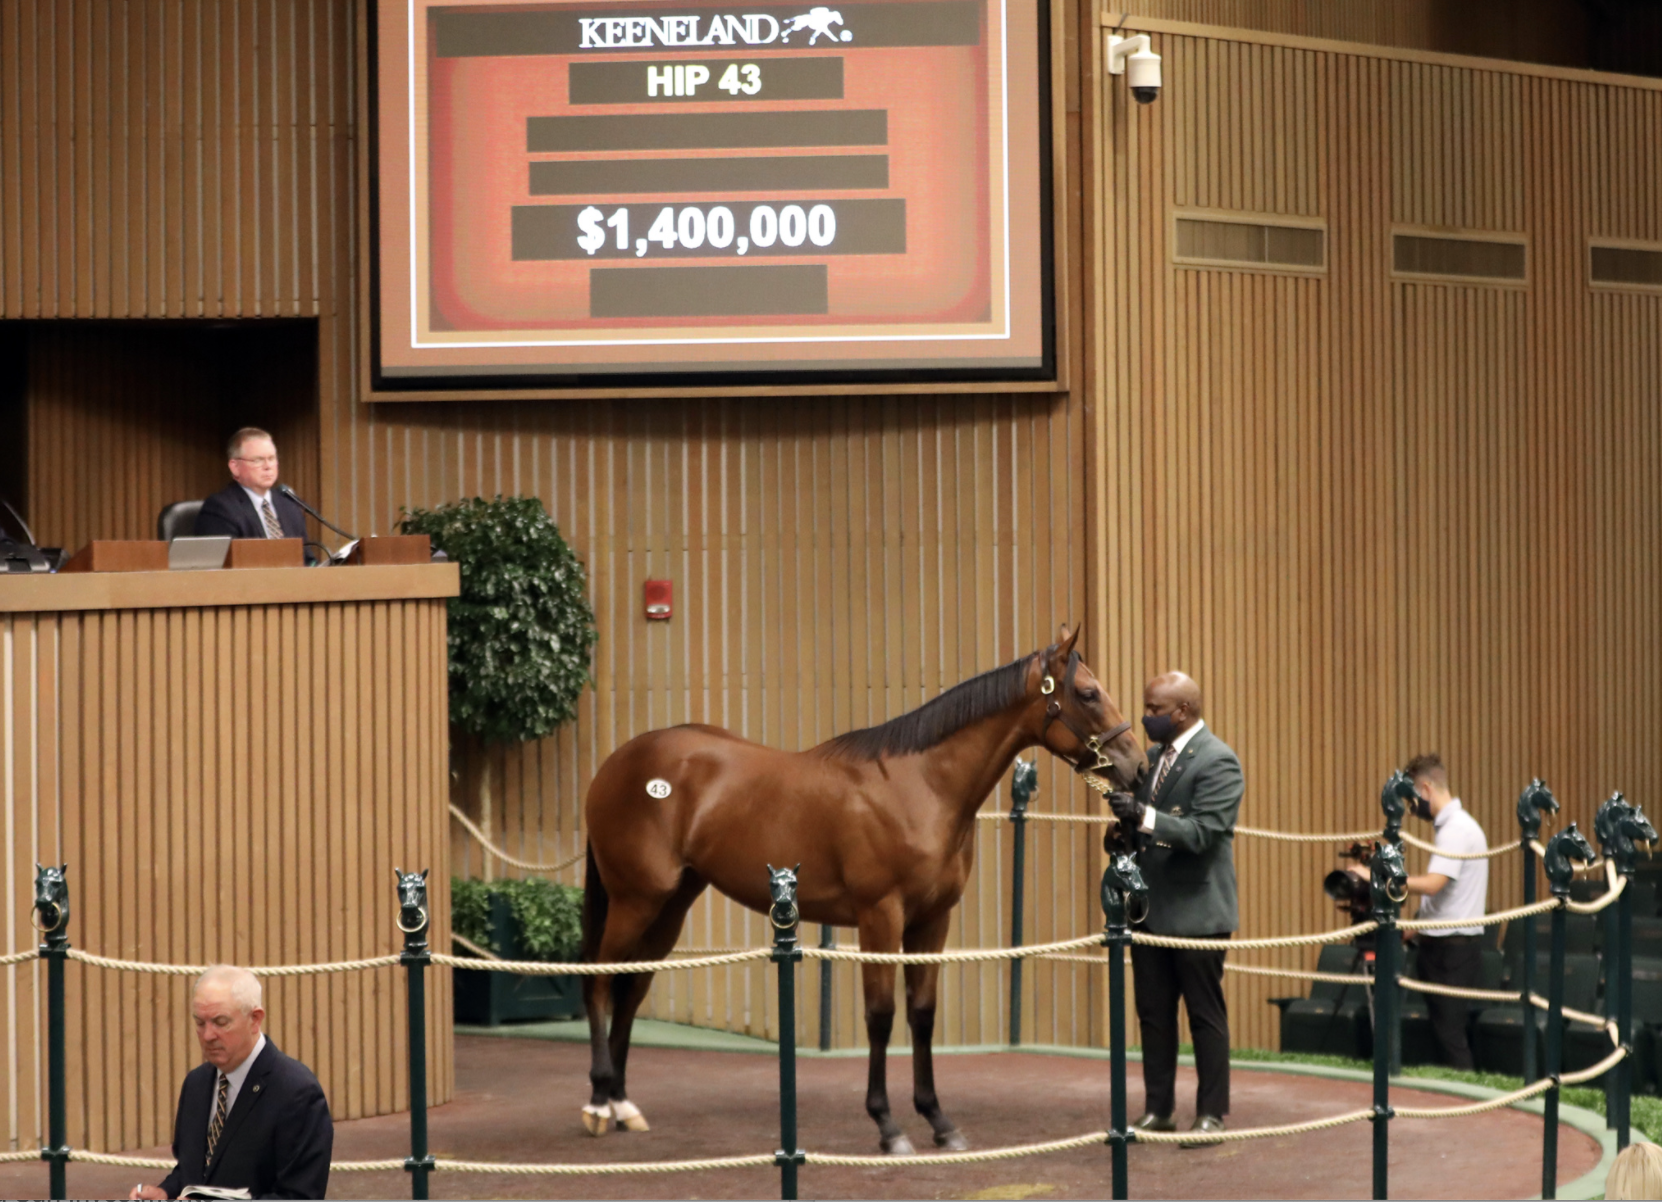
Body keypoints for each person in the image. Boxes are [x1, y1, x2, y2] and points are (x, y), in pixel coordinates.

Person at [1108, 671, 1243, 1145]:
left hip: (1198, 914)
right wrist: (1123, 832)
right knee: (1154, 1013)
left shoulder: (1218, 761)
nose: (1146, 717)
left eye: (1154, 710)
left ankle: (1211, 1115)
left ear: (1181, 712)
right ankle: (1158, 1109)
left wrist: (1143, 816)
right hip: (1150, 910)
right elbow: (1148, 831)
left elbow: (1205, 833)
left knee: (1204, 1015)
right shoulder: (1152, 759)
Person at [130, 965, 332, 1201]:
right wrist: (165, 1191)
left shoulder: (296, 1093)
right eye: (200, 1023)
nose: (208, 1035)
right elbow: (194, 1173)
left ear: (255, 1019)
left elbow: (299, 1196)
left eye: (220, 1022)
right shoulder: (196, 1084)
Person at [1397, 752, 1490, 1069]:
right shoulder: (1454, 827)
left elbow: (1435, 884)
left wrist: (1386, 879)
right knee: (1442, 1034)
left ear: (1425, 789)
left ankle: (1464, 1108)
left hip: (1452, 951)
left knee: (1449, 1037)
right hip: (1446, 946)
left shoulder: (1456, 830)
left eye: (1411, 799)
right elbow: (1447, 898)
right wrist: (1415, 927)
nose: (1411, 809)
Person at [195, 429, 307, 542]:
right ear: (235, 467)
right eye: (258, 460)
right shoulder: (220, 508)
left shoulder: (289, 505)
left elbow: (307, 558)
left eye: (272, 458)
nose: (268, 466)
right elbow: (228, 558)